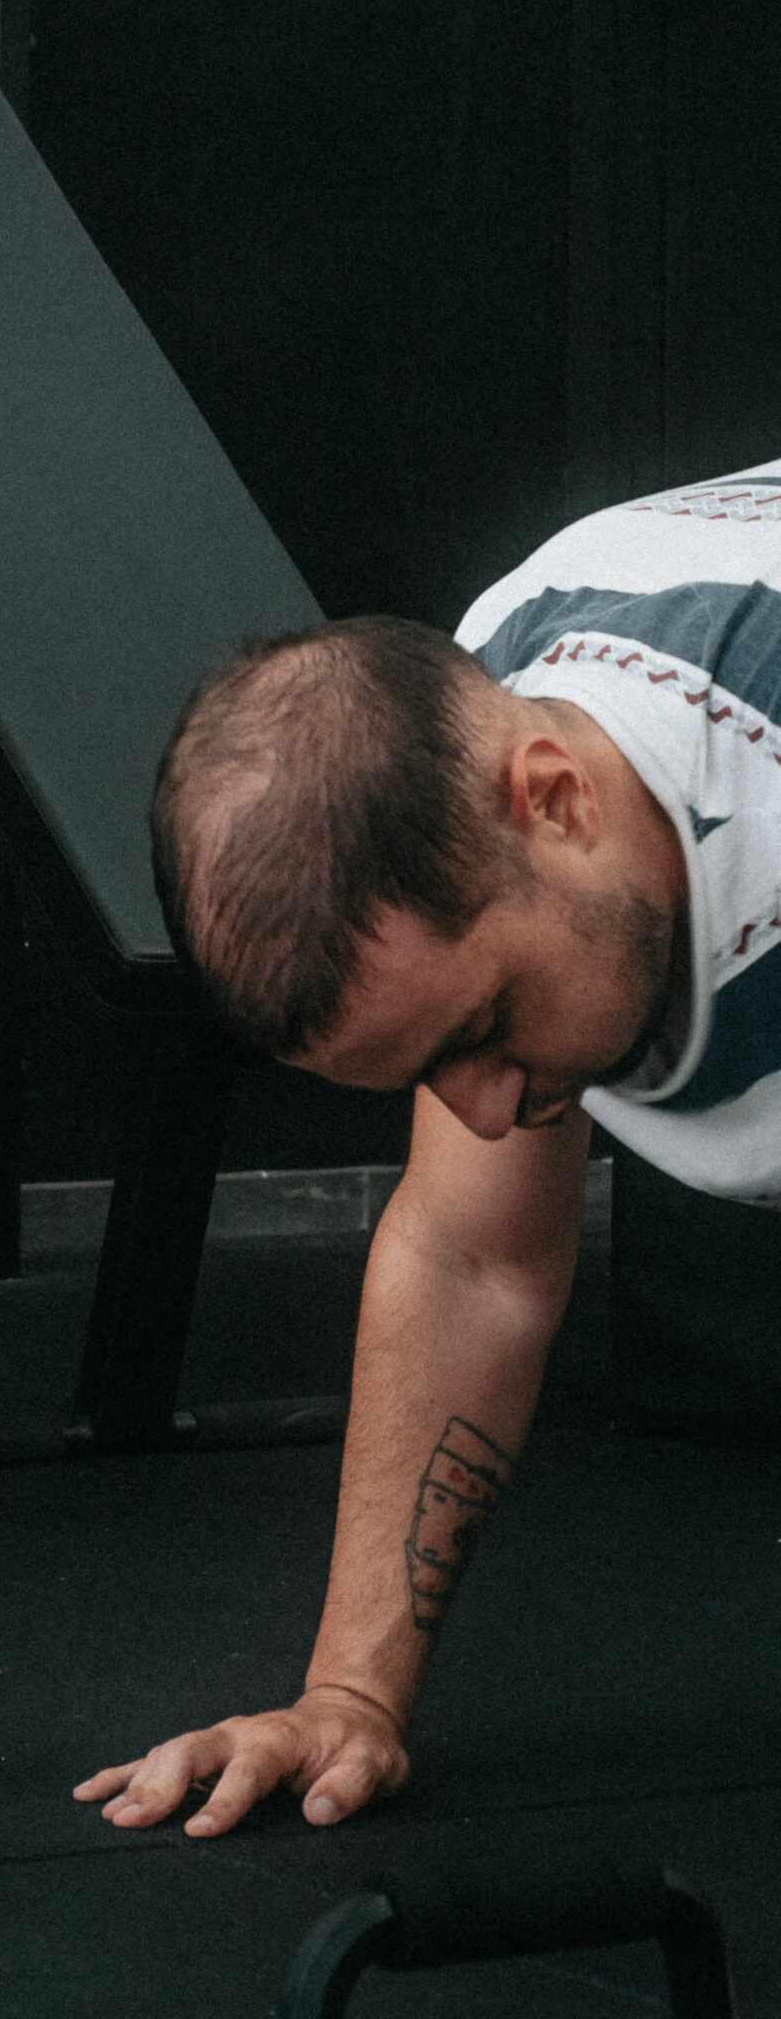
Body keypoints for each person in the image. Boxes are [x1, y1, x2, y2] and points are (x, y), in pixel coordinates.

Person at [79, 463, 781, 1834]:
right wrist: (349, 1697)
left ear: (557, 800)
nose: (480, 1112)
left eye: (485, 1026)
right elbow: (474, 1255)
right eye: (418, 1073)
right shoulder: (498, 692)